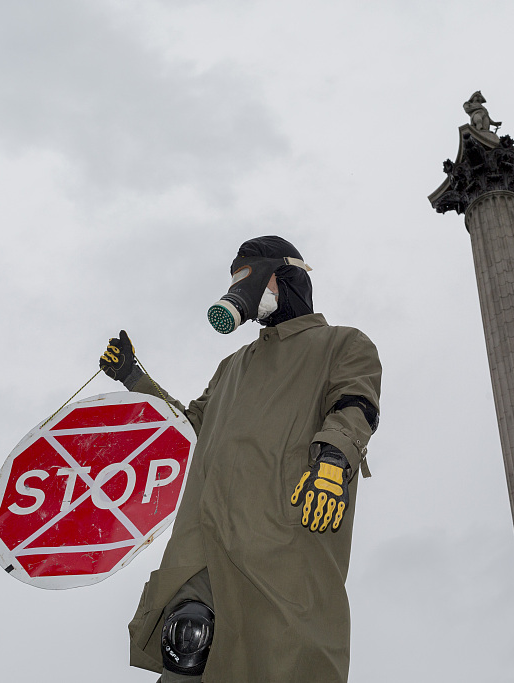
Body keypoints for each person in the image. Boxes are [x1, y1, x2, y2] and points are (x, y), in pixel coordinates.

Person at [99, 236, 382, 683]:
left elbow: (354, 404)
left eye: (248, 279)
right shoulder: (231, 367)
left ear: (285, 278)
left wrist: (331, 464)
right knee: (187, 641)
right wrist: (135, 378)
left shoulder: (342, 344)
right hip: (205, 538)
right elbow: (188, 429)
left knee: (285, 658)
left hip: (283, 538)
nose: (240, 291)